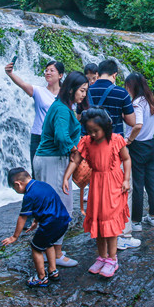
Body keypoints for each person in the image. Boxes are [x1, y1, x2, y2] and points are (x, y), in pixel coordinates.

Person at [63, 108, 131, 278]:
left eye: (96, 131)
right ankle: (102, 257)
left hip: (113, 184)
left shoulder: (116, 140)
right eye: (90, 131)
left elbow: (127, 159)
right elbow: (76, 159)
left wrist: (126, 179)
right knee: (99, 221)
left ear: (106, 127)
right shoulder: (86, 141)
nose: (93, 134)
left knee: (110, 223)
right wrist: (66, 177)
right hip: (96, 185)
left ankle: (112, 259)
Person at [33, 71, 90, 267]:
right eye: (82, 90)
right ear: (72, 89)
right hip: (53, 161)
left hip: (48, 159)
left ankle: (51, 248)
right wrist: (75, 150)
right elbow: (61, 136)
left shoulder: (62, 107)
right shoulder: (63, 110)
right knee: (62, 208)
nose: (84, 95)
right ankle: (56, 254)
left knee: (53, 207)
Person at [87, 59, 139, 249]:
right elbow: (132, 121)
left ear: (98, 73)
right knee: (122, 190)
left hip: (93, 150)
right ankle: (123, 235)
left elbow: (79, 118)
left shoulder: (88, 91)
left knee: (99, 191)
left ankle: (101, 232)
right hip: (115, 148)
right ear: (115, 75)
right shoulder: (121, 92)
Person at [2, 168, 71, 287]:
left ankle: (41, 277)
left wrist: (14, 237)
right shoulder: (43, 185)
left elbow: (22, 218)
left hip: (50, 224)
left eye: (15, 189)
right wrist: (36, 221)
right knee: (48, 243)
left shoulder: (29, 195)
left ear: (18, 184)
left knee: (36, 248)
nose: (16, 191)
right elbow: (45, 205)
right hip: (63, 220)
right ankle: (53, 271)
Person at [5, 59, 65, 178]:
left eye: (52, 70)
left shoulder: (66, 95)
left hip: (58, 137)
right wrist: (10, 73)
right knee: (37, 172)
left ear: (60, 75)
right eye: (46, 70)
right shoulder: (38, 91)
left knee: (57, 173)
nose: (48, 73)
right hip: (38, 136)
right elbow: (22, 84)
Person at [124, 72, 154, 231]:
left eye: (127, 86)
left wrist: (129, 140)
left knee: (138, 183)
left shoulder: (137, 103)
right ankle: (153, 216)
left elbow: (137, 124)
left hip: (138, 146)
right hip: (150, 145)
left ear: (132, 86)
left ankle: (137, 221)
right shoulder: (150, 102)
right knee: (151, 181)